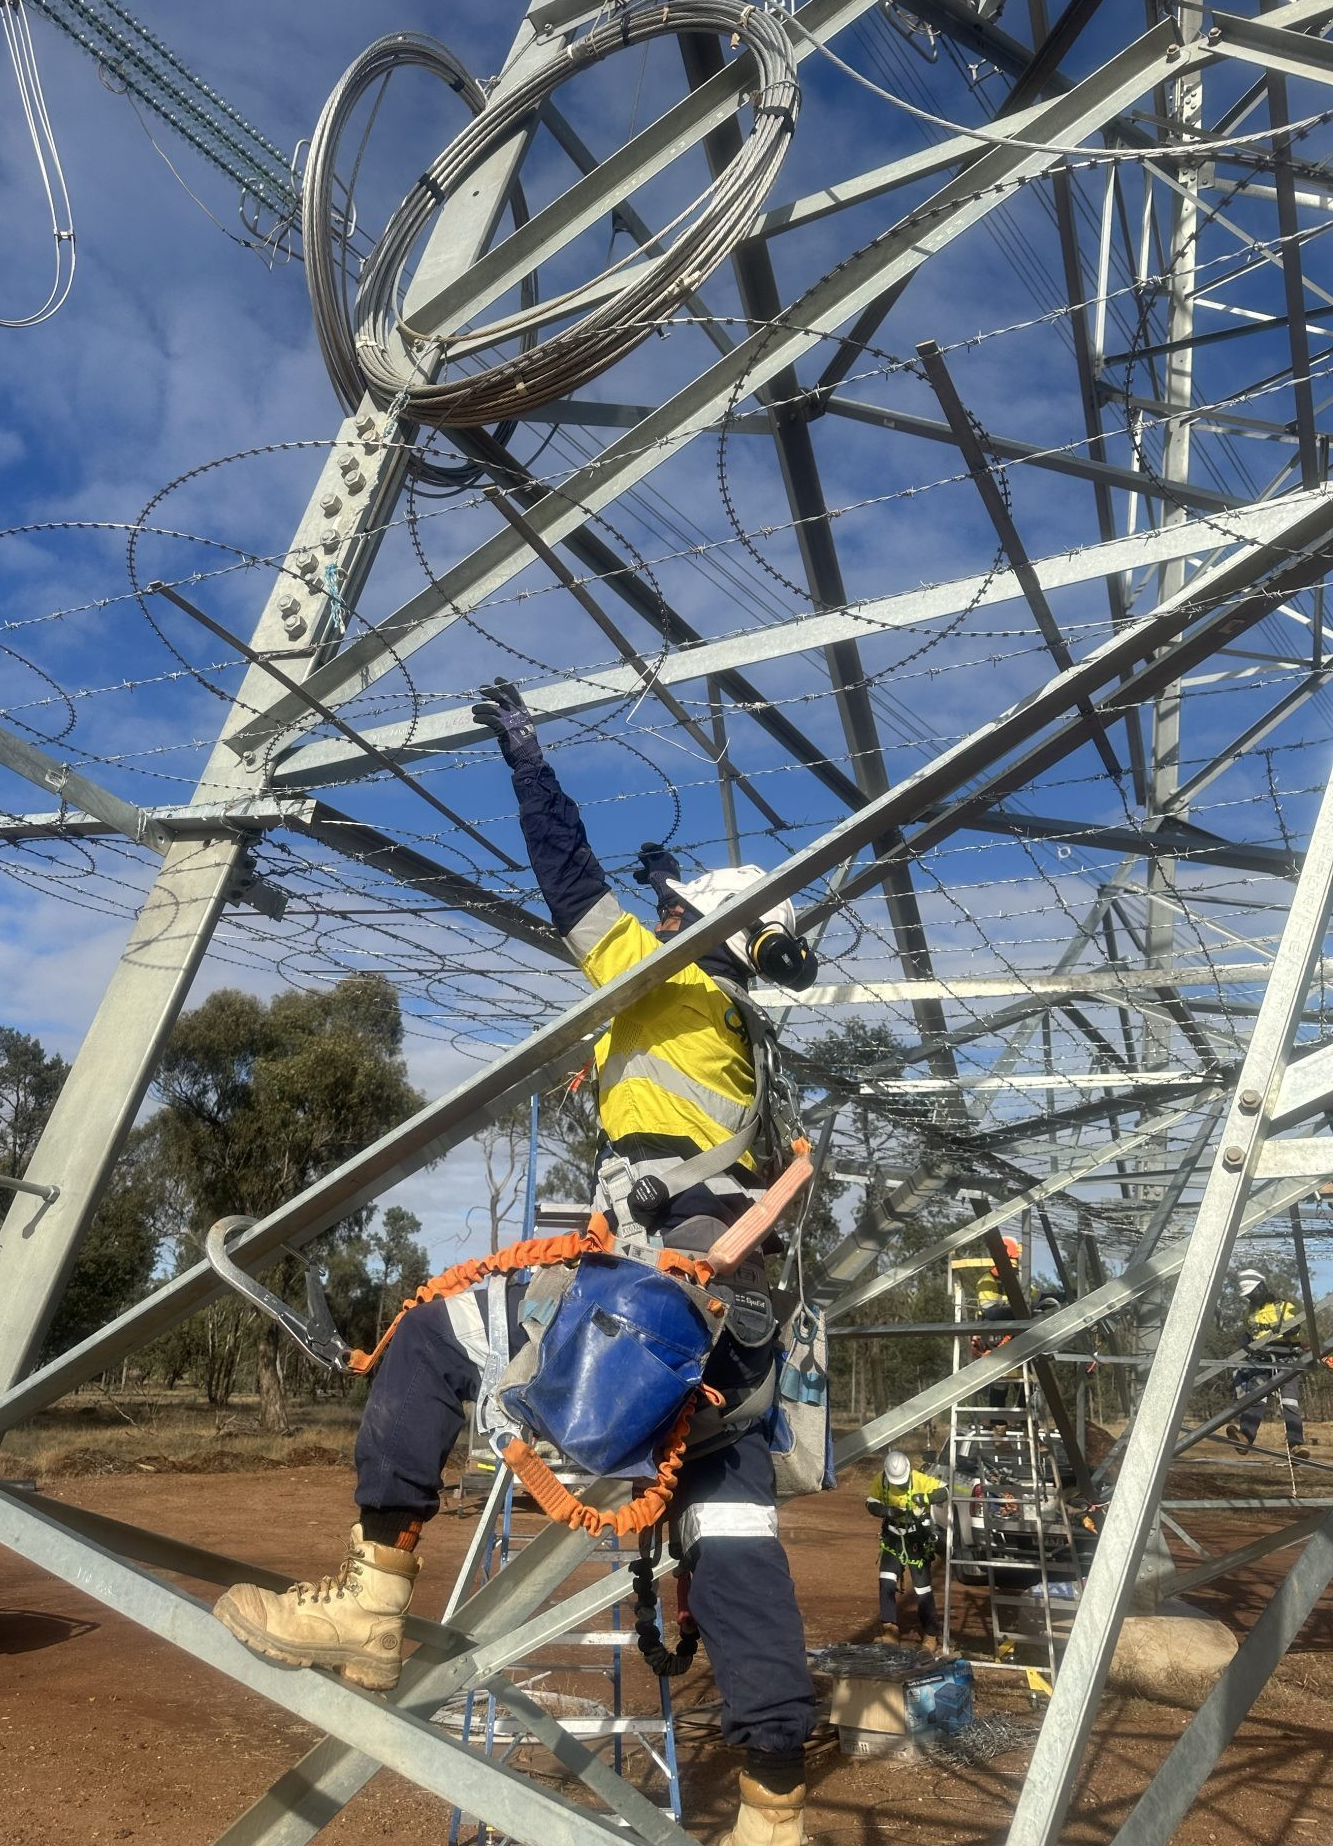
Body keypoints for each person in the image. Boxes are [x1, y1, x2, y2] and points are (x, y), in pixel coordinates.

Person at [214, 680, 822, 1846]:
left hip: (647, 1308)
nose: (658, 918)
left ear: (697, 931)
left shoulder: (672, 977)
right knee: (737, 1541)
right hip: (734, 1339)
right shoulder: (748, 1032)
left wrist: (531, 766)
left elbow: (571, 888)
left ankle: (374, 1601)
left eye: (676, 912)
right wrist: (676, 885)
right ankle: (776, 1810)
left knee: (435, 1329)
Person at [1224, 1269, 1309, 1462]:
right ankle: (1245, 1437)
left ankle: (1296, 1445)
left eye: (1251, 1293)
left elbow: (1296, 1324)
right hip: (1262, 1362)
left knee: (1290, 1402)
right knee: (1256, 1398)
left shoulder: (1284, 1306)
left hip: (1286, 1360)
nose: (1249, 1299)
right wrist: (1246, 1345)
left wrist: (1289, 1328)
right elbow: (1248, 1333)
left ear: (1261, 1288)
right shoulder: (1250, 1312)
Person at [866, 1448, 947, 1646]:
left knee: (922, 1588)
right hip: (893, 1539)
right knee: (886, 1582)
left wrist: (926, 1499)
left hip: (916, 1541)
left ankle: (930, 1634)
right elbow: (870, 1502)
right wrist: (884, 1510)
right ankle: (889, 1630)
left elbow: (945, 1490)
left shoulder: (919, 1479)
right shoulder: (882, 1480)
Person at [971, 1237, 1024, 1428]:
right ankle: (998, 1425)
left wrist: (1063, 1295)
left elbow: (1037, 1295)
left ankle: (1026, 1423)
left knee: (1026, 1383)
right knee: (1000, 1381)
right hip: (992, 1338)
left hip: (1013, 1339)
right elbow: (990, 1311)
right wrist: (1018, 1307)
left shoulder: (1017, 1281)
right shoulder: (987, 1281)